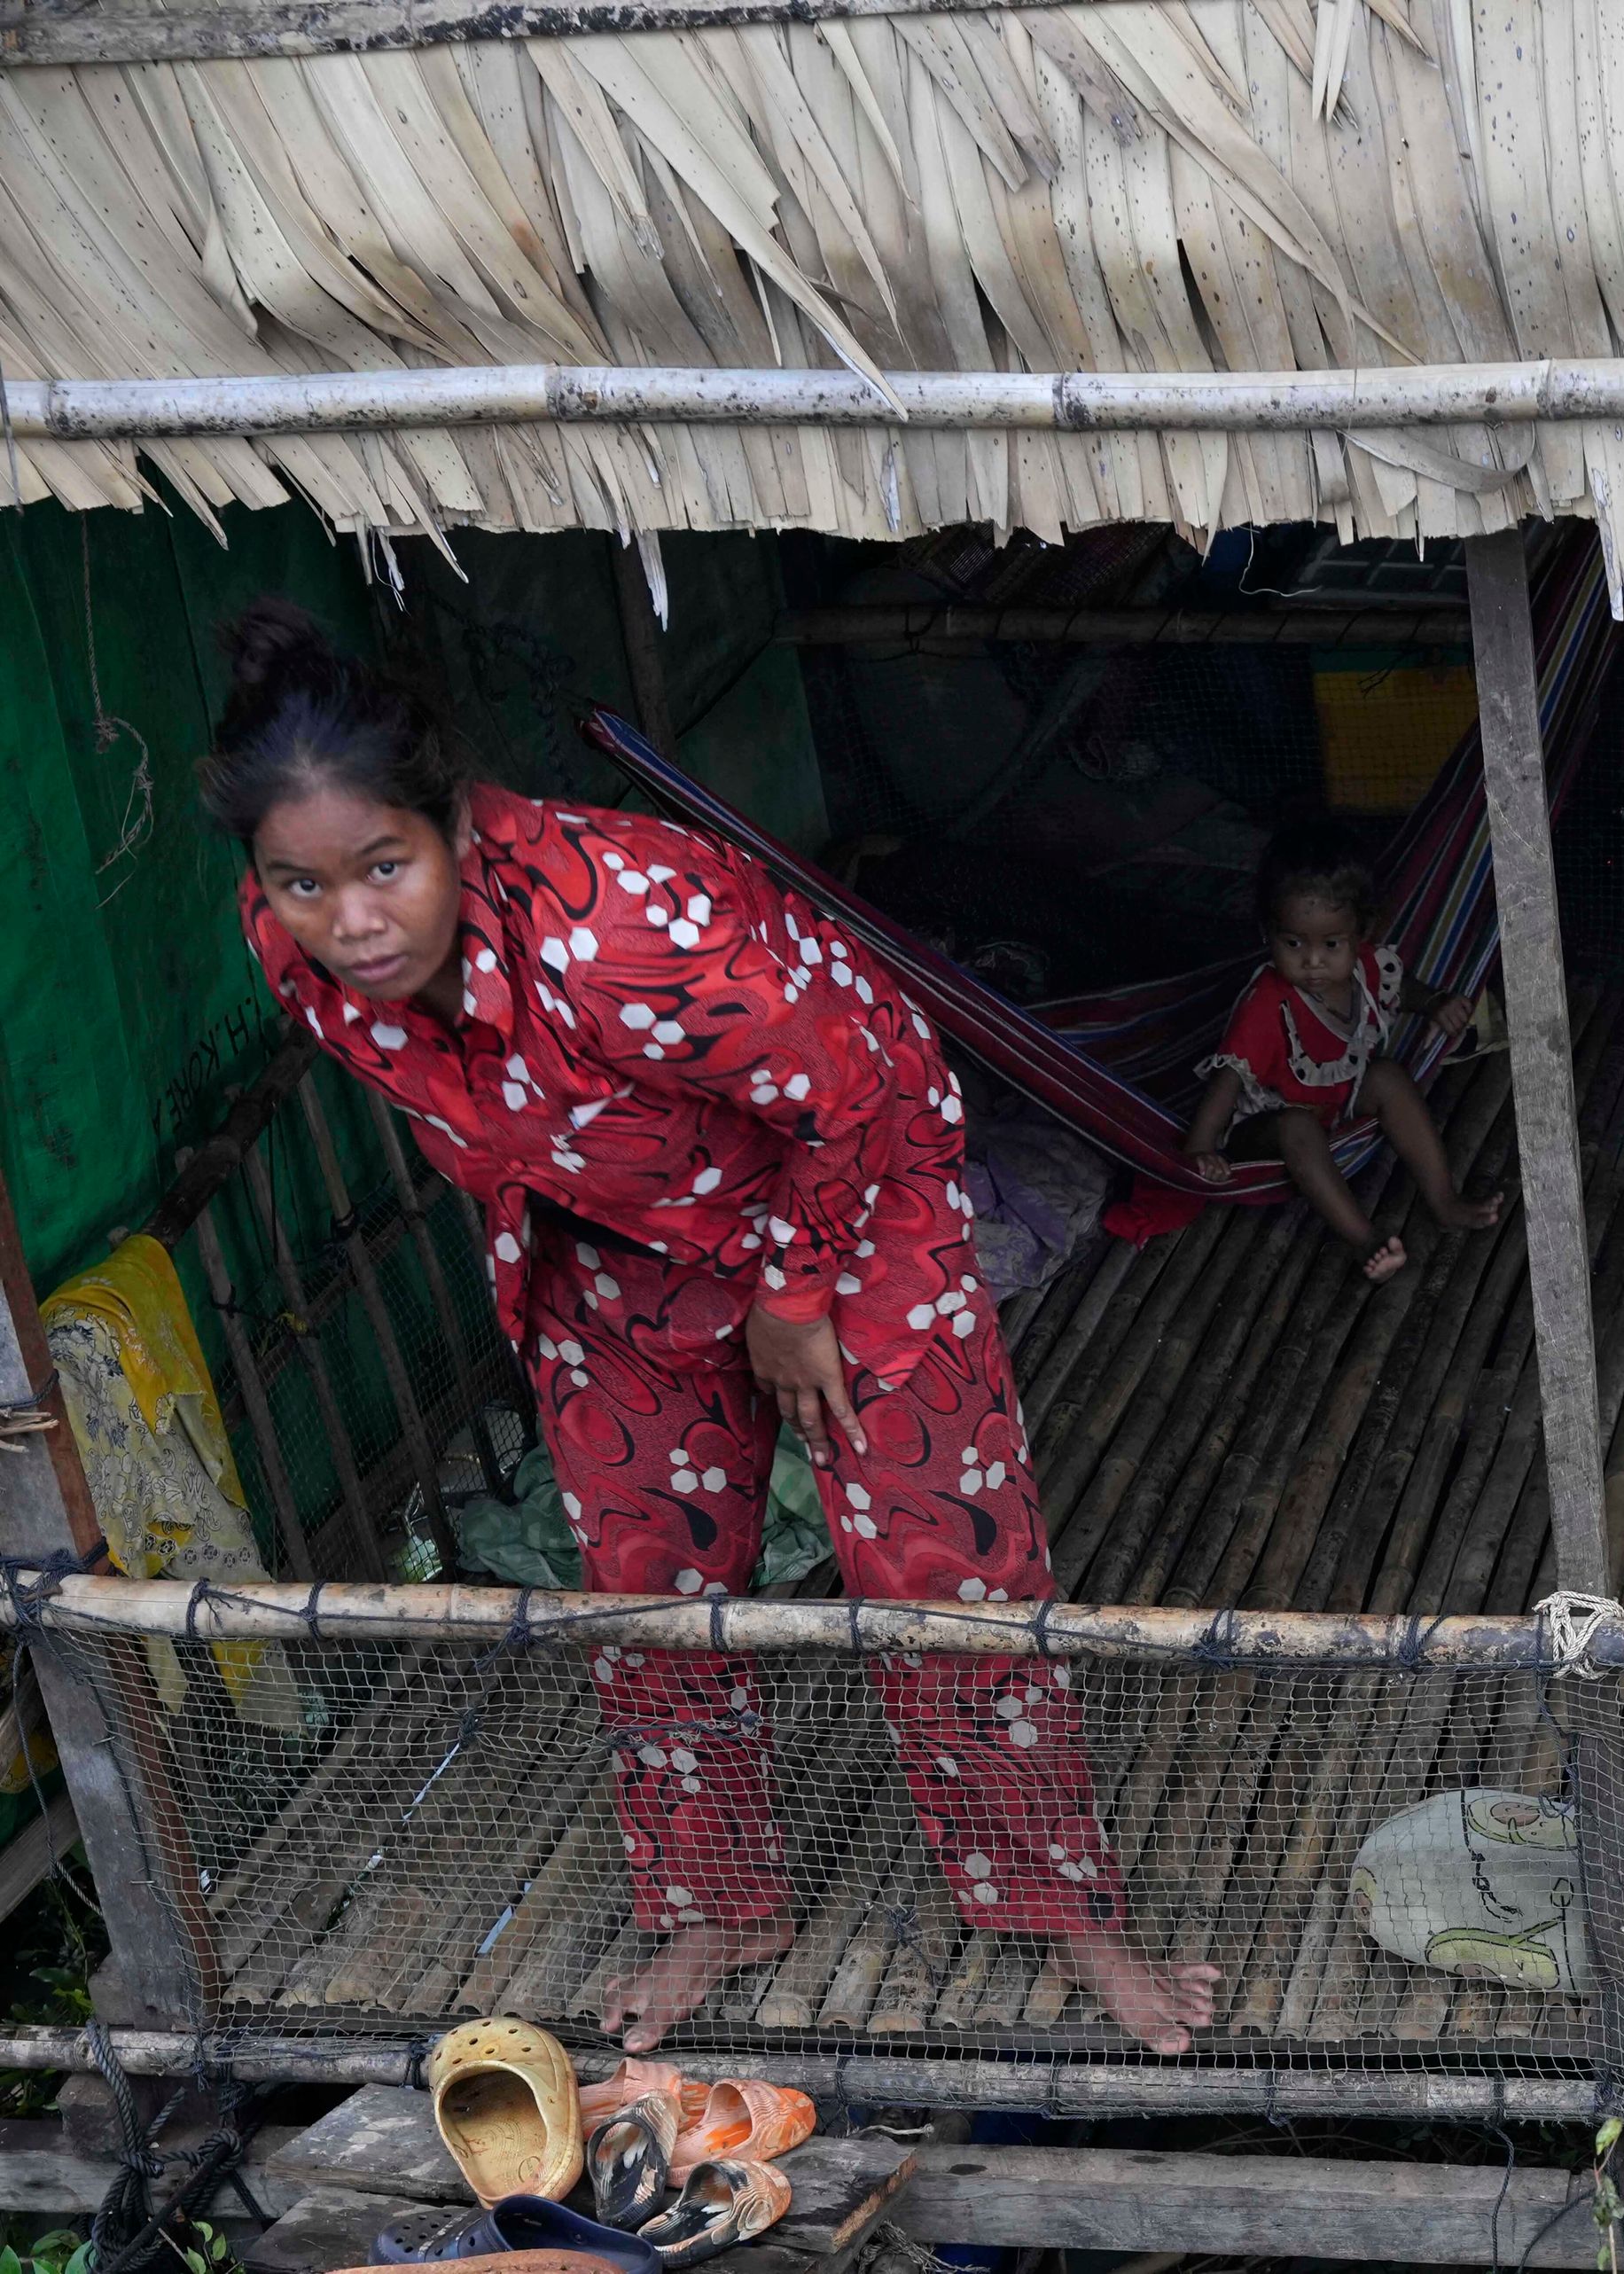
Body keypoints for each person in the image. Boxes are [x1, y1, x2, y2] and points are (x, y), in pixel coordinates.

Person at [204, 602, 1220, 2054]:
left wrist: (796, 1293)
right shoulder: (286, 940)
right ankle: (722, 1899)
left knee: (941, 1564)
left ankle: (1063, 1918)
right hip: (612, 1247)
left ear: (459, 828)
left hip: (848, 1211)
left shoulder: (621, 931)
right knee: (646, 1585)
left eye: (385, 867)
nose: (351, 921)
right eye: (302, 882)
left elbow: (865, 1081)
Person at [1181, 821, 1500, 1282]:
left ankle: (1444, 1200)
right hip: (1265, 1126)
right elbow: (1228, 1080)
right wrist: (1200, 1148)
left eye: (1330, 944)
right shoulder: (1268, 1003)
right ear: (1268, 933)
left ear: (1360, 933)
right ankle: (1364, 1239)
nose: (1312, 961)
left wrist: (1433, 1002)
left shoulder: (1366, 966)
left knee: (1388, 1077)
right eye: (1293, 943)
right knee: (1297, 1126)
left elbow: (1399, 990)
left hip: (1336, 1106)